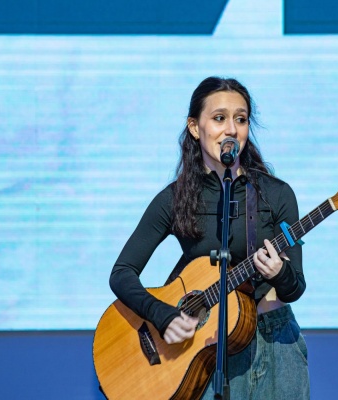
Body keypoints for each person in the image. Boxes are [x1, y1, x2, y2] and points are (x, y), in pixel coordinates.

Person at [109, 76, 310, 399]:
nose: (231, 129)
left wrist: (279, 272)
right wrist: (162, 315)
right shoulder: (175, 199)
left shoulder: (276, 194)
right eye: (219, 118)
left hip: (274, 343)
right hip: (206, 349)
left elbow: (295, 287)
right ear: (194, 127)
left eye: (240, 119)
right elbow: (122, 273)